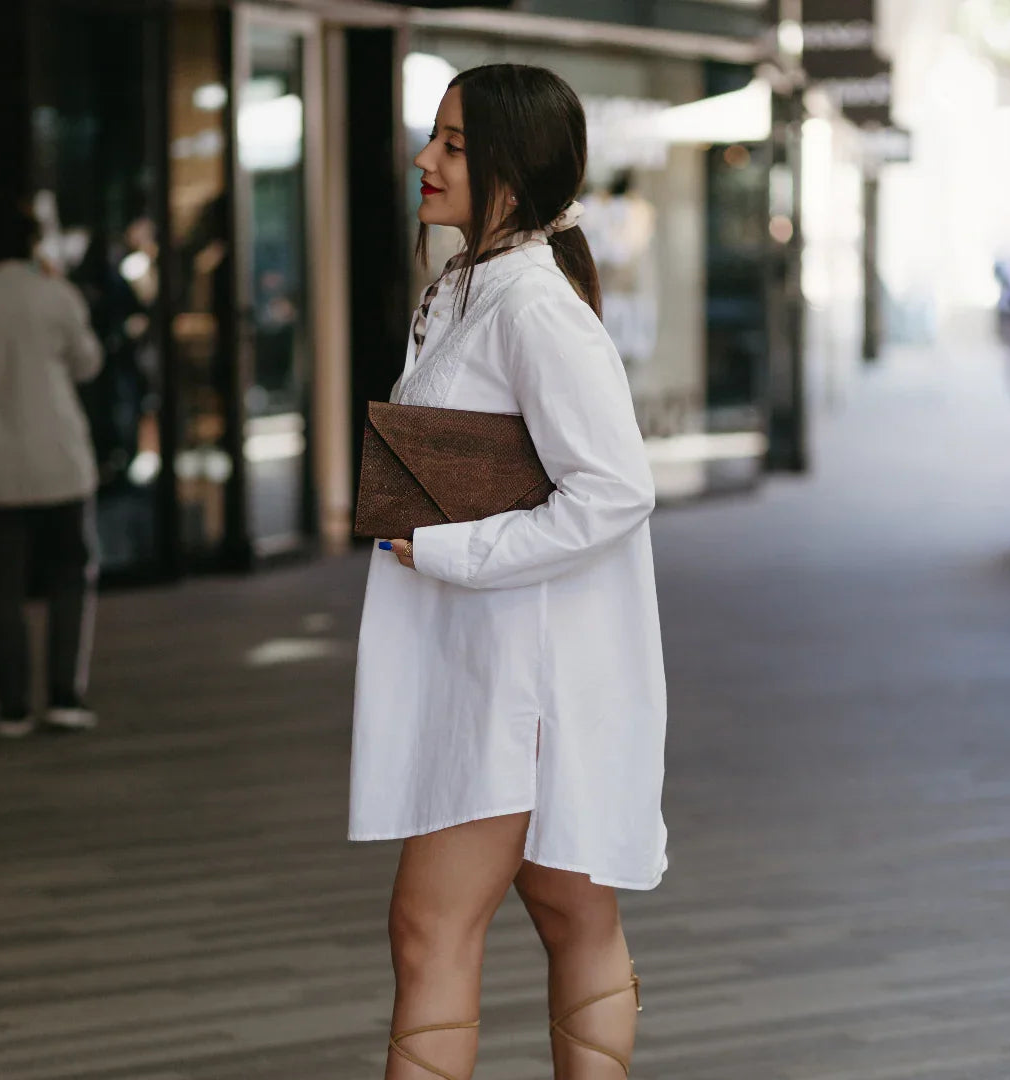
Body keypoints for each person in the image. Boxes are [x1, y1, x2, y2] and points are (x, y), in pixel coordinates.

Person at [349, 65, 667, 1079]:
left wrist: (446, 549)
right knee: (572, 911)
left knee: (428, 927)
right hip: (493, 663)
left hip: (518, 681)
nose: (424, 160)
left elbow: (615, 489)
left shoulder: (532, 307)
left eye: (452, 144)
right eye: (431, 137)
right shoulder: (473, 291)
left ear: (510, 172)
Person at [0, 199, 103, 738]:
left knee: (1, 588)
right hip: (59, 459)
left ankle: (11, 707)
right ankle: (64, 696)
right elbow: (88, 363)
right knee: (69, 577)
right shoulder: (55, 294)